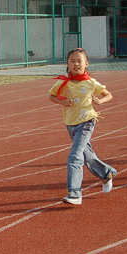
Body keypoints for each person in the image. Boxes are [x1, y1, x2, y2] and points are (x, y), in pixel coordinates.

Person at [49, 48, 118, 205]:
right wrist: (62, 102)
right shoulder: (63, 83)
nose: (76, 64)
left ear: (86, 63)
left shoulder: (91, 83)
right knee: (88, 155)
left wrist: (100, 101)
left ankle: (74, 193)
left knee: (75, 156)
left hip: (87, 122)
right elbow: (51, 96)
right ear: (67, 64)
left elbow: (108, 94)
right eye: (72, 61)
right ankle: (107, 173)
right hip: (70, 124)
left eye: (79, 61)